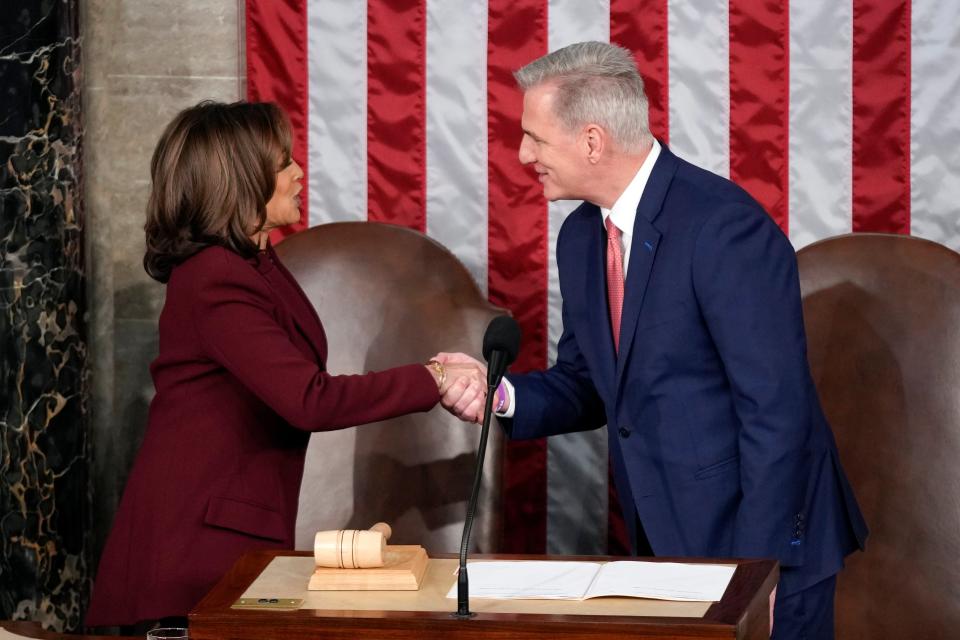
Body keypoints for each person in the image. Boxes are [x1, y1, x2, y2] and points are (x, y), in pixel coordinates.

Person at [439, 42, 868, 639]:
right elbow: (590, 382)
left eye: (534, 137)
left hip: (762, 545)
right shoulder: (582, 236)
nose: (521, 154)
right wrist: (499, 396)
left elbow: (778, 414)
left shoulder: (723, 227)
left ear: (592, 140)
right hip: (663, 543)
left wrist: (758, 573)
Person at [85, 101, 485, 628]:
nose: (299, 173)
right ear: (238, 180)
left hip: (233, 541)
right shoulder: (213, 278)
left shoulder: (253, 263)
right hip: (192, 552)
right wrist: (432, 378)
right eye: (282, 163)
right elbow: (308, 399)